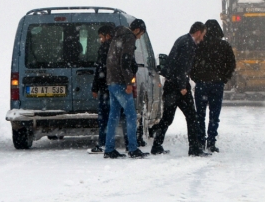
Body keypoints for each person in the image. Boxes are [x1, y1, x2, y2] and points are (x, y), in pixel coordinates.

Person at [150, 22, 210, 157]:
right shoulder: (189, 44)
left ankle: (156, 145)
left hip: (171, 85)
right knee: (192, 117)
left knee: (167, 118)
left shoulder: (182, 40)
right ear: (198, 32)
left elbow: (173, 63)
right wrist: (183, 86)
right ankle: (194, 148)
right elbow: (182, 66)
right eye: (203, 35)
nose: (203, 38)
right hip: (179, 87)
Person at [104, 19, 149, 159]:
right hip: (121, 82)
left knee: (113, 116)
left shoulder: (117, 35)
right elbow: (125, 61)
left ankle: (109, 148)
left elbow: (114, 59)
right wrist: (129, 82)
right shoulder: (129, 37)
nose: (139, 37)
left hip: (111, 80)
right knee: (131, 115)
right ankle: (133, 148)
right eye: (141, 34)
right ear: (137, 30)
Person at [190, 19, 236, 153]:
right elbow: (231, 64)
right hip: (217, 85)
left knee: (200, 115)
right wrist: (224, 78)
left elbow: (191, 63)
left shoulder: (199, 45)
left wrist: (196, 78)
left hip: (201, 85)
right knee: (214, 115)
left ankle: (200, 142)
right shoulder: (224, 45)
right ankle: (211, 142)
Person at [90, 24, 127, 154]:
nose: (101, 40)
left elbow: (99, 69)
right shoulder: (119, 46)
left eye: (101, 37)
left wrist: (95, 87)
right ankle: (128, 142)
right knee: (121, 115)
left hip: (106, 87)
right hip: (118, 85)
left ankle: (103, 142)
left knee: (105, 117)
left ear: (107, 35)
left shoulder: (105, 48)